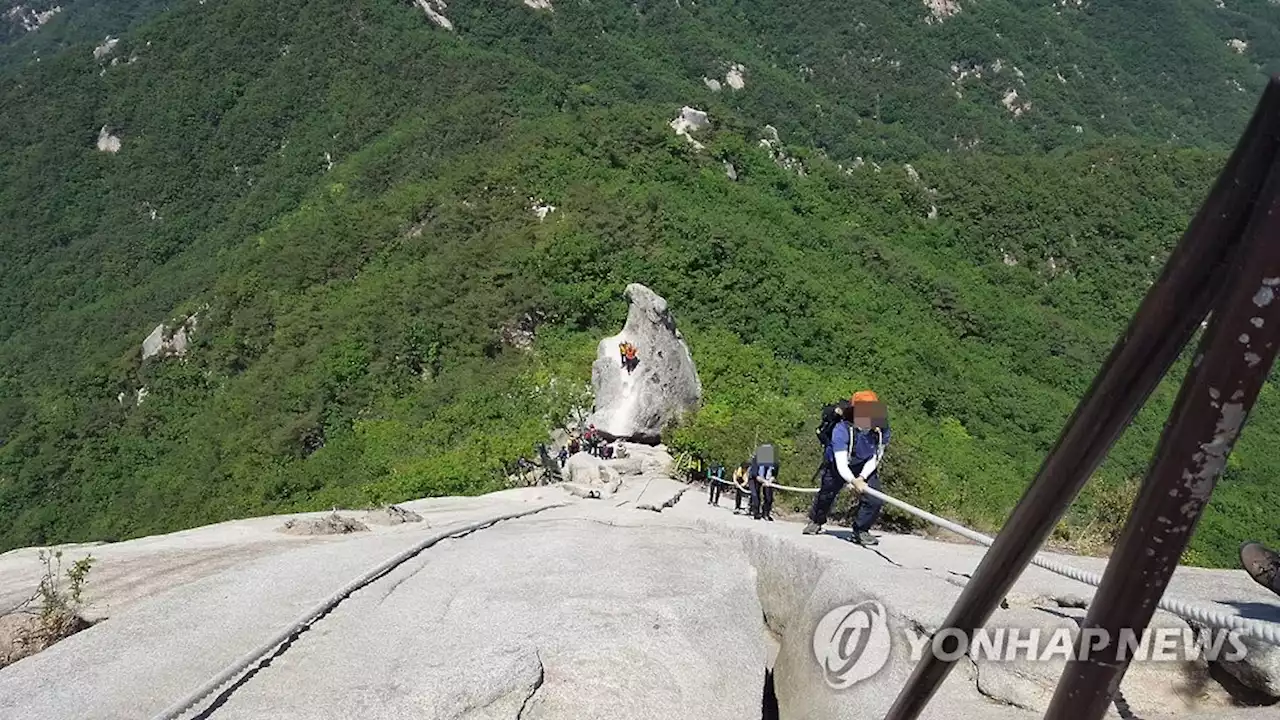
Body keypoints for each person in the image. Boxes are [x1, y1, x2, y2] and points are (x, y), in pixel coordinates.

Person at [804, 390, 891, 545]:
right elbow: (841, 463)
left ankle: (861, 530)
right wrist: (852, 480)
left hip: (865, 465)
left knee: (874, 498)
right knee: (826, 495)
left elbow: (876, 455)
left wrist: (862, 477)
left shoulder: (881, 428)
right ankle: (816, 521)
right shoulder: (841, 429)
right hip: (838, 465)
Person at [750, 443, 778, 521]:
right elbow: (755, 475)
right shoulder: (756, 459)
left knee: (769, 497)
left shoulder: (774, 461)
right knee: (755, 496)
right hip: (755, 478)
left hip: (768, 479)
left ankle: (766, 513)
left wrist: (769, 481)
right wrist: (764, 481)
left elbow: (774, 474)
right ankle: (756, 512)